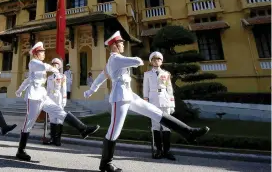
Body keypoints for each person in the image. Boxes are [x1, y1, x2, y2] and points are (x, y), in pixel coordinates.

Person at [84, 31, 210, 172]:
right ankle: (105, 164)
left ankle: (189, 132)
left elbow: (100, 79)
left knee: (156, 112)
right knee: (114, 132)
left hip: (129, 95)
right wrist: (134, 59)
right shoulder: (115, 59)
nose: (123, 45)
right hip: (119, 98)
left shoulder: (115, 61)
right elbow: (137, 62)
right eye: (120, 43)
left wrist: (90, 91)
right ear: (114, 46)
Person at [15, 42, 100, 161]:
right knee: (28, 123)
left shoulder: (38, 66)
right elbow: (44, 67)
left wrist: (19, 90)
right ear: (36, 53)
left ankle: (83, 129)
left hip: (43, 96)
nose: (44, 53)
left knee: (59, 111)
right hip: (33, 98)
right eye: (42, 52)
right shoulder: (33, 62)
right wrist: (54, 69)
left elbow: (28, 79)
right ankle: (20, 150)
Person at [143, 51, 176, 160]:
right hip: (153, 101)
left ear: (161, 61)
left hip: (165, 100)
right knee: (155, 126)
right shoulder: (147, 74)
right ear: (151, 62)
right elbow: (145, 89)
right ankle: (159, 150)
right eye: (154, 59)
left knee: (167, 127)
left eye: (158, 59)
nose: (156, 61)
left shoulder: (166, 74)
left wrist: (172, 104)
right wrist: (146, 104)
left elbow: (169, 89)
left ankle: (167, 151)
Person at [43, 58, 67, 146]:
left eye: (56, 65)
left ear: (59, 66)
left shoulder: (62, 76)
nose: (55, 66)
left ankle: (58, 139)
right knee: (52, 119)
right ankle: (53, 138)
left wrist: (64, 100)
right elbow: (48, 89)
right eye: (53, 65)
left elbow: (64, 89)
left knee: (59, 119)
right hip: (50, 98)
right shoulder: (49, 78)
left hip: (59, 98)